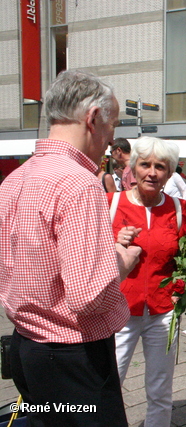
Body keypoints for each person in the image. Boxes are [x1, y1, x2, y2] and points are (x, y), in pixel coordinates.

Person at [0, 69, 141, 426]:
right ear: (93, 118)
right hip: (72, 356)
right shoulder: (78, 183)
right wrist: (121, 261)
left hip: (26, 346)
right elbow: (88, 295)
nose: (112, 138)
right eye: (113, 125)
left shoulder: (16, 178)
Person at [109, 136, 186, 427]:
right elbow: (87, 254)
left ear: (169, 173)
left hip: (162, 312)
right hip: (119, 312)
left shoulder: (178, 209)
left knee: (160, 388)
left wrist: (180, 292)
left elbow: (184, 259)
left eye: (160, 166)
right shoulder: (112, 204)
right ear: (133, 167)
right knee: (109, 382)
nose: (152, 172)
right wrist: (113, 242)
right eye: (145, 165)